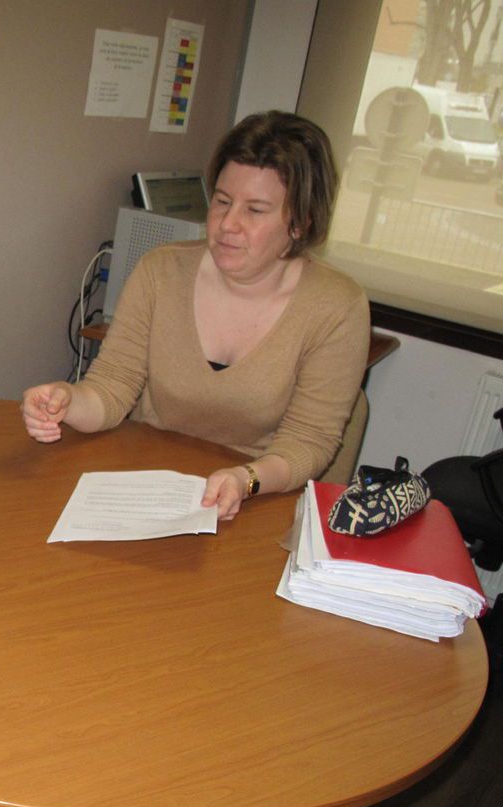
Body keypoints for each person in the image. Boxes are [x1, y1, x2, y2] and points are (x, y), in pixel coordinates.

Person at [22, 111, 370, 520]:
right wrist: (66, 400)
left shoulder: (336, 306)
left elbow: (308, 441)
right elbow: (113, 387)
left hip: (257, 498)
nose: (227, 224)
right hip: (146, 487)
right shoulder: (161, 271)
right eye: (222, 201)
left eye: (255, 210)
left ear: (300, 222)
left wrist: (247, 479)